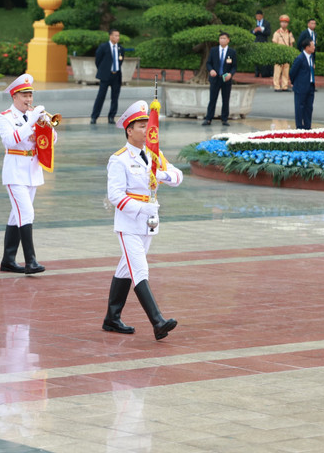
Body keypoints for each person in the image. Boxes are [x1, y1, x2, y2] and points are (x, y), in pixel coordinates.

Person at [103, 100, 183, 340]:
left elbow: (178, 177)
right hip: (129, 223)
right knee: (139, 268)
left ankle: (112, 318)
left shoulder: (153, 153)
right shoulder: (119, 159)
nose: (147, 129)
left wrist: (161, 174)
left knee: (126, 268)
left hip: (149, 223)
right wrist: (142, 208)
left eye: (148, 125)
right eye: (141, 126)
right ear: (129, 130)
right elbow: (115, 195)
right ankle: (158, 321)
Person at [0, 74, 57, 275]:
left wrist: (46, 126)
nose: (28, 99)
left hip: (32, 170)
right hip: (15, 171)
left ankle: (8, 260)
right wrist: (30, 123)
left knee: (17, 215)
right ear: (14, 96)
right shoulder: (5, 117)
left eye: (30, 95)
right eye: (24, 95)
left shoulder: (33, 115)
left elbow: (52, 140)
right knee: (27, 213)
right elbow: (10, 140)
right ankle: (30, 260)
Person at [202, 32, 237, 127]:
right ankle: (208, 118)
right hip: (215, 78)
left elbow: (234, 66)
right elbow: (208, 63)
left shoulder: (232, 52)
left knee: (225, 99)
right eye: (221, 38)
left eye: (224, 38)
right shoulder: (213, 50)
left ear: (228, 40)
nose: (222, 40)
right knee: (212, 99)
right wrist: (211, 70)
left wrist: (230, 74)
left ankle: (224, 119)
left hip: (226, 79)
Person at [90, 29, 124, 124]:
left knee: (115, 97)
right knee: (101, 96)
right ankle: (94, 117)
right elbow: (98, 60)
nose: (117, 37)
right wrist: (103, 70)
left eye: (118, 36)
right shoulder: (103, 47)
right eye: (115, 35)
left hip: (116, 76)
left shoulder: (120, 48)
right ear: (110, 36)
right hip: (105, 76)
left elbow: (121, 60)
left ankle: (111, 117)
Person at [289, 40, 316, 130]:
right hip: (301, 87)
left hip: (310, 86)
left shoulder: (311, 57)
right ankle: (299, 127)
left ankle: (308, 126)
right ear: (307, 47)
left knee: (309, 107)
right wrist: (294, 83)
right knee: (300, 107)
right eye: (312, 45)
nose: (314, 47)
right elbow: (292, 72)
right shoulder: (300, 58)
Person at [272, 15, 295, 92]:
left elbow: (291, 44)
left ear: (287, 24)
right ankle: (276, 86)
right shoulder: (277, 33)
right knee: (277, 71)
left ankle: (284, 86)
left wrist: (291, 53)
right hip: (279, 54)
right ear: (280, 23)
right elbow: (274, 44)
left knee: (286, 71)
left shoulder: (289, 33)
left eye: (285, 22)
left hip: (287, 54)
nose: (284, 24)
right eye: (282, 22)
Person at [252, 10, 271, 77]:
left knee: (263, 57)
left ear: (262, 16)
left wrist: (262, 30)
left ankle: (264, 73)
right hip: (255, 41)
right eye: (257, 16)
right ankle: (257, 72)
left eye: (260, 16)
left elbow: (268, 33)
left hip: (263, 41)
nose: (258, 17)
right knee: (256, 57)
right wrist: (254, 31)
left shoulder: (266, 23)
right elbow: (250, 32)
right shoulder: (253, 23)